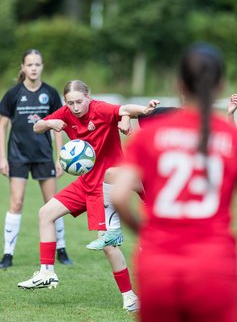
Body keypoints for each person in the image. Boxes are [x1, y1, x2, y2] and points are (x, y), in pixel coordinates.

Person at [111, 43, 237, 322]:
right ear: (220, 85)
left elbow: (120, 195)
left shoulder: (151, 135)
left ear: (179, 83)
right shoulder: (231, 138)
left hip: (158, 263)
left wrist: (147, 231)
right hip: (214, 263)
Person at [17, 79, 159, 312]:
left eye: (79, 102)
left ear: (89, 97)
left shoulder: (100, 109)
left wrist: (143, 110)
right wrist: (50, 123)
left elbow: (125, 110)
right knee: (46, 213)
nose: (75, 107)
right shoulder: (66, 112)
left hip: (106, 185)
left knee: (108, 244)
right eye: (70, 103)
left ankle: (129, 296)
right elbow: (36, 127)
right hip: (84, 183)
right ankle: (47, 272)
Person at [0, 49, 72, 268]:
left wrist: (60, 156)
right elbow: (2, 126)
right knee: (17, 202)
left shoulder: (50, 93)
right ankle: (8, 254)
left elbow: (58, 127)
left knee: (53, 204)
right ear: (23, 67)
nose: (33, 68)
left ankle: (61, 249)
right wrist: (2, 157)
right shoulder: (12, 94)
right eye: (29, 64)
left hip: (43, 156)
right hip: (17, 155)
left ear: (42, 67)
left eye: (37, 64)